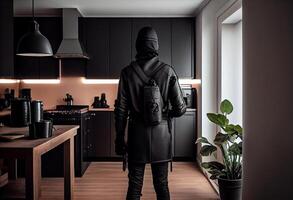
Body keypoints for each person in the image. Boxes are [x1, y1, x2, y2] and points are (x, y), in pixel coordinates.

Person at [114, 26, 186, 200]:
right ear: (156, 46)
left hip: (136, 135)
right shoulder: (168, 71)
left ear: (138, 45)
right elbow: (180, 109)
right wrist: (165, 111)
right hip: (161, 137)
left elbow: (121, 110)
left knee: (134, 185)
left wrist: (119, 138)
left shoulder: (127, 73)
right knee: (161, 184)